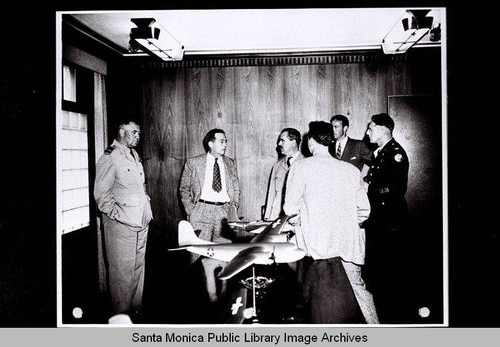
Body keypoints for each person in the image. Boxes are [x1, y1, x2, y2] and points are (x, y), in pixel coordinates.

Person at [283, 121, 379, 324]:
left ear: (310, 142)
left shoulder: (300, 167)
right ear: (329, 141)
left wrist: (303, 223)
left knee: (312, 302)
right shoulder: (352, 170)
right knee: (360, 293)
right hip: (348, 246)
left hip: (315, 248)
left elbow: (290, 208)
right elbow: (365, 211)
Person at [94, 120, 153, 319]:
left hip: (141, 221)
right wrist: (120, 217)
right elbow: (102, 198)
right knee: (121, 276)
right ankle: (120, 317)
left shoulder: (134, 154)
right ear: (121, 131)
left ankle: (135, 313)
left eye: (138, 133)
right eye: (134, 132)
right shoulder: (110, 157)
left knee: (137, 271)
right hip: (122, 226)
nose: (138, 136)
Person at [179, 128, 240, 305]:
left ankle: (223, 297)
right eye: (222, 141)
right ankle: (198, 300)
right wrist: (192, 211)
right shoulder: (194, 162)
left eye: (226, 141)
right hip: (201, 211)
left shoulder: (230, 163)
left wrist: (233, 206)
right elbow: (184, 189)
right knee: (196, 256)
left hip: (223, 213)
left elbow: (236, 187)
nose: (225, 144)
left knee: (224, 255)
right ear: (210, 143)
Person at [362, 113, 410, 323]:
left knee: (389, 272)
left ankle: (393, 318)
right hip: (379, 219)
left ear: (383, 129)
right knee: (378, 271)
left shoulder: (395, 153)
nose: (367, 132)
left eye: (371, 128)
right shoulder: (380, 153)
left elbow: (397, 188)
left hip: (389, 220)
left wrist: (368, 188)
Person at [263, 128, 303, 221]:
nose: (279, 144)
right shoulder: (277, 166)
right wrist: (268, 216)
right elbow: (271, 193)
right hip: (276, 217)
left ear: (293, 142)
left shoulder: (305, 164)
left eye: (282, 140)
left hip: (296, 219)